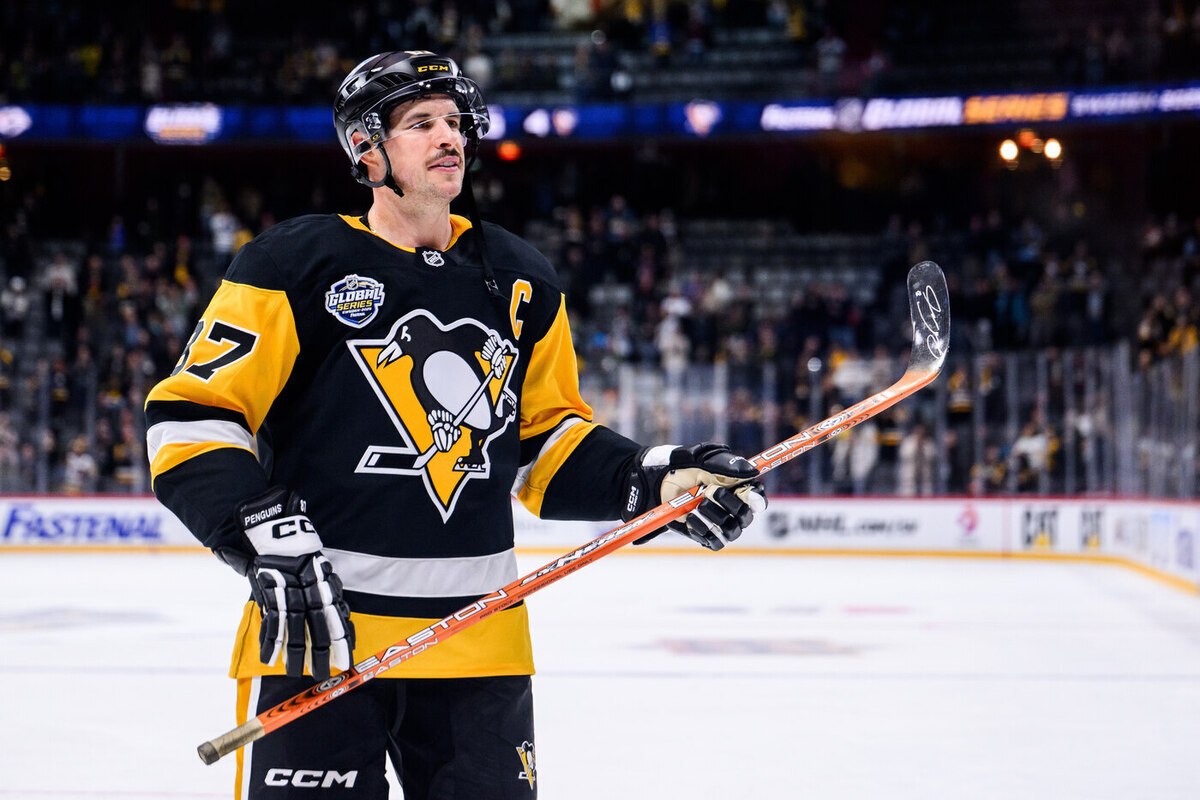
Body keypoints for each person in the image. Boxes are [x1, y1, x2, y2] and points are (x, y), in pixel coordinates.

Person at [144, 50, 767, 799]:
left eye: (453, 121)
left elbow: (542, 443)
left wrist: (654, 477)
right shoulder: (292, 263)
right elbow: (192, 415)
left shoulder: (521, 276)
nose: (449, 137)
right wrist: (258, 533)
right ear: (367, 149)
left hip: (479, 645)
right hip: (321, 637)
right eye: (420, 123)